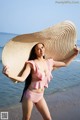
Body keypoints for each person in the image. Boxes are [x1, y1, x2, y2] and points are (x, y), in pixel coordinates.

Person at [3, 43, 78, 120]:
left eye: (42, 47)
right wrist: (9, 75)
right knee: (26, 118)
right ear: (35, 52)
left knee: (48, 118)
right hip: (30, 96)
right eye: (38, 49)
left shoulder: (50, 62)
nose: (41, 50)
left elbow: (65, 63)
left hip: (40, 96)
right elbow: (22, 78)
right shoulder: (32, 63)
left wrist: (75, 54)